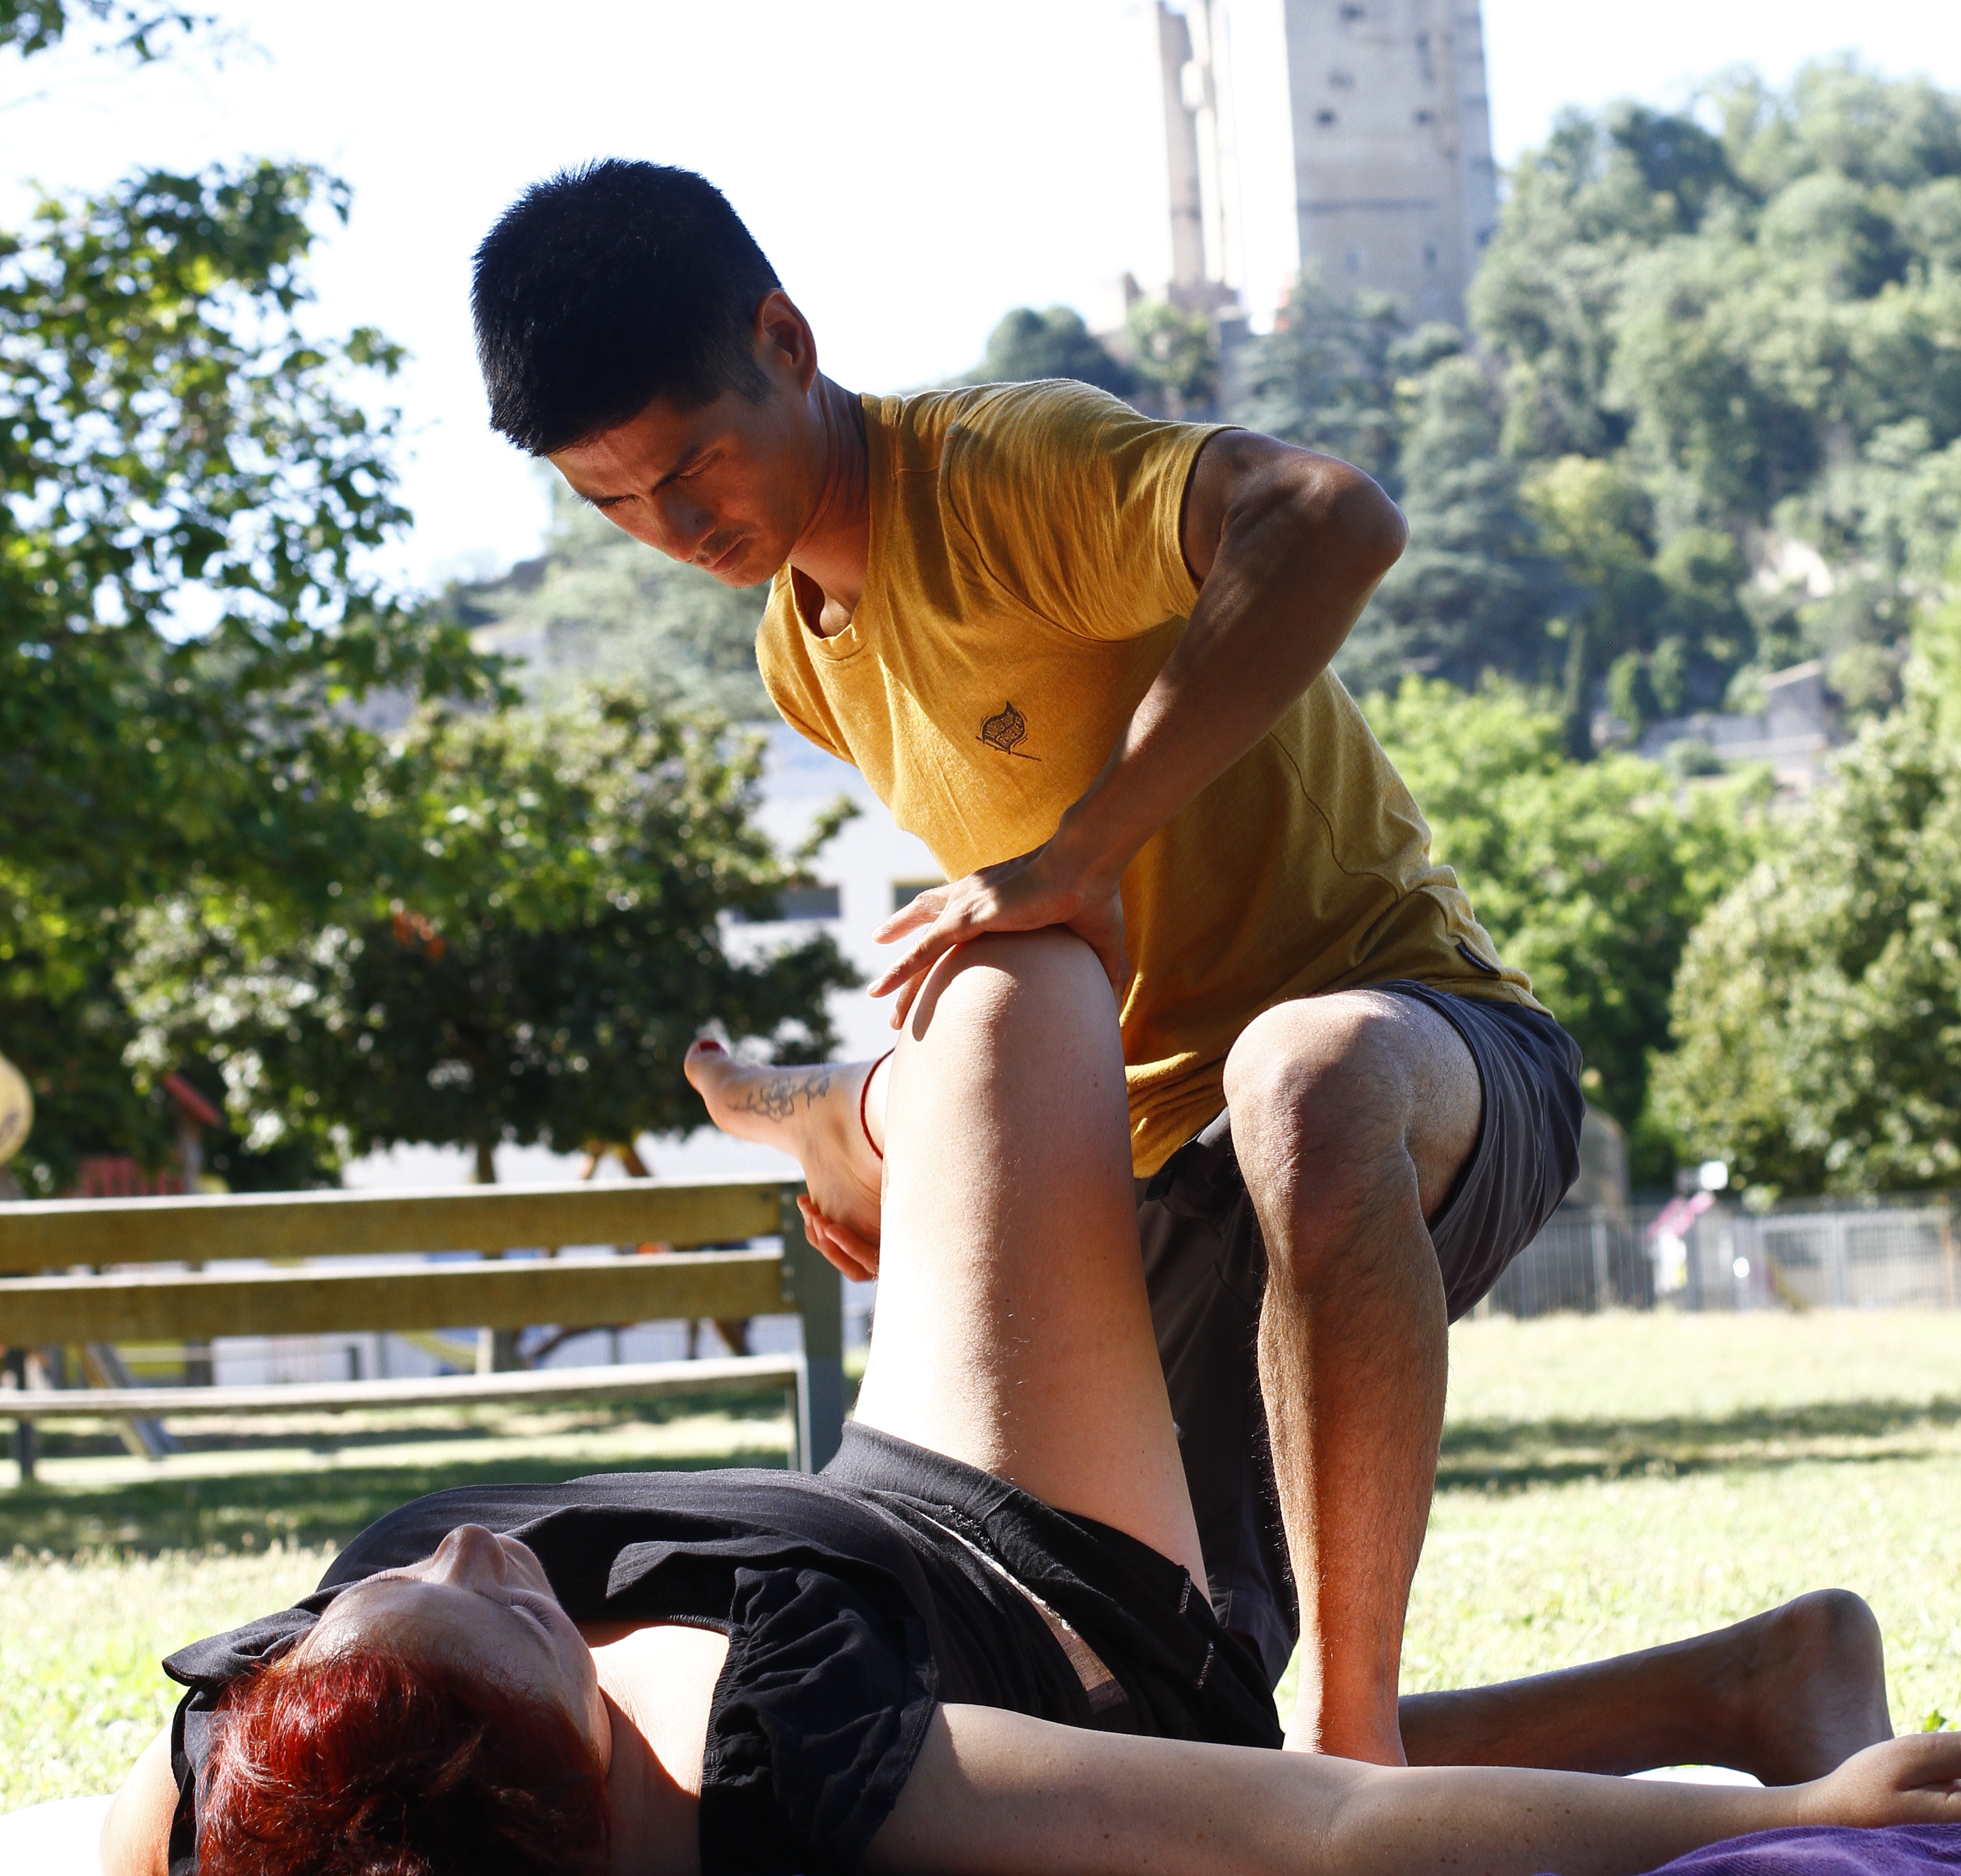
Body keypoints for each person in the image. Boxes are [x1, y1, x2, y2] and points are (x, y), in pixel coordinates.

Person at [2, 930, 1940, 1876]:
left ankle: (1754, 1672)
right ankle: (875, 1120)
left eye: (384, 1590)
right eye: (488, 1619)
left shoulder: (224, 1784)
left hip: (865, 1489)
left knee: (990, 1035)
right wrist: (1793, 1828)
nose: (466, 1554)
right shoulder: (813, 1765)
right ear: (567, 1784)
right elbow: (1314, 1828)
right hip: (1043, 1573)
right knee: (1017, 991)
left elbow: (102, 1871)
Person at [468, 159, 1585, 1756]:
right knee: (1129, 1723)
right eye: (612, 501)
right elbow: (1058, 949)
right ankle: (1757, 1683)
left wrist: (1084, 844)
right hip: (1158, 1184)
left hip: (1425, 1053)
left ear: (786, 342)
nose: (675, 527)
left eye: (697, 463)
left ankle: (1363, 1752)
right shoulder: (803, 654)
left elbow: (1333, 519)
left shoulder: (1001, 469)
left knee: (1301, 1070)